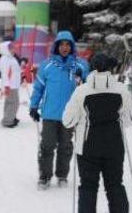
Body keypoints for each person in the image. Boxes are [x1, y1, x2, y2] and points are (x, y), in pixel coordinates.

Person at [62, 53, 132, 213]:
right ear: (110, 68)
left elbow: (68, 120)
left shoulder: (82, 91)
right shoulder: (121, 90)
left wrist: (82, 121)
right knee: (115, 184)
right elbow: (131, 119)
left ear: (92, 68)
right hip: (114, 145)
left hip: (88, 146)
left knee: (88, 185)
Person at [30, 30, 90, 189]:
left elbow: (86, 88)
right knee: (47, 145)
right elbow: (38, 88)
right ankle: (44, 175)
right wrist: (34, 106)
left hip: (70, 114)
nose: (64, 47)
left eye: (67, 45)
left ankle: (62, 174)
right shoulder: (47, 65)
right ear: (56, 46)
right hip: (50, 113)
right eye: (61, 44)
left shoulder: (80, 66)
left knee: (66, 146)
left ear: (71, 47)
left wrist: (81, 78)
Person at [0, 41, 21, 127]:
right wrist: (7, 85)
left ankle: (11, 116)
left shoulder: (11, 58)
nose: (13, 50)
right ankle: (8, 120)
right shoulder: (5, 59)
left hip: (14, 83)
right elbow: (5, 73)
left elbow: (15, 69)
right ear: (5, 49)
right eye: (10, 48)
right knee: (14, 102)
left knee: (10, 101)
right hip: (10, 85)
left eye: (13, 48)